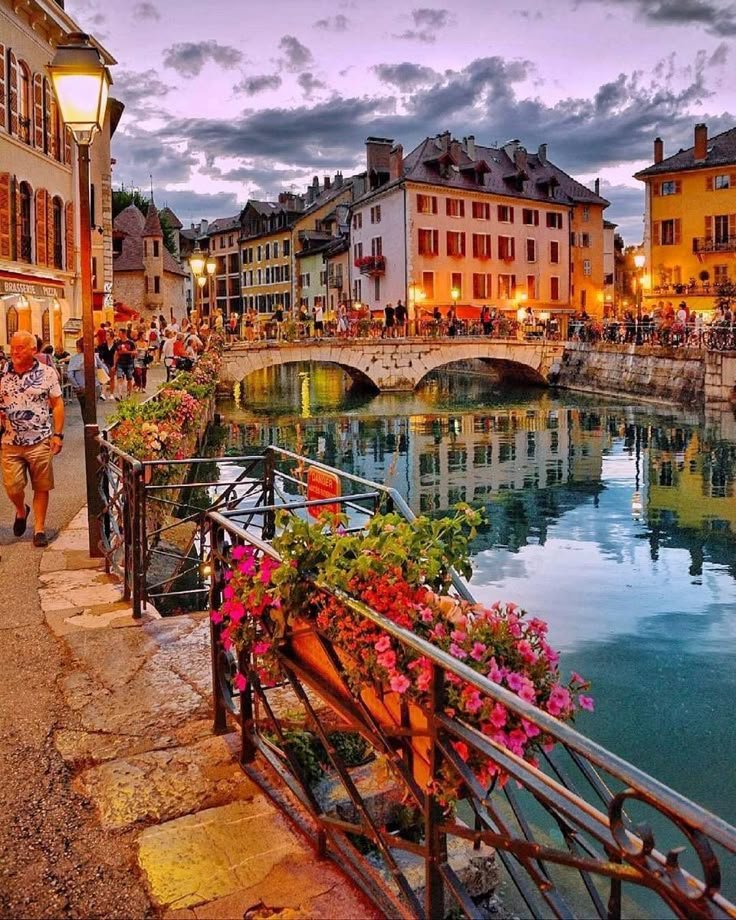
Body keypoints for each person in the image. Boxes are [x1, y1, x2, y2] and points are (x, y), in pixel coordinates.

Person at [0, 330, 64, 547]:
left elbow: (57, 404)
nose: (14, 351)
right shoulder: (2, 372)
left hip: (40, 439)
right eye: (13, 347)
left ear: (33, 350)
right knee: (12, 487)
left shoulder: (47, 373)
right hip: (10, 441)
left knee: (41, 485)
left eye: (20, 347)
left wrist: (58, 434)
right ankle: (21, 510)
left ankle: (39, 529)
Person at [67, 336, 107, 411]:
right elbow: (105, 370)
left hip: (81, 388)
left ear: (78, 347)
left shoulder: (74, 359)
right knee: (92, 410)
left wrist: (77, 386)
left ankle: (86, 423)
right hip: (95, 386)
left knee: (84, 409)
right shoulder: (94, 356)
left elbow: (70, 376)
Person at [111, 327, 136, 400]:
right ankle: (120, 394)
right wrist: (114, 364)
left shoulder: (131, 343)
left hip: (129, 363)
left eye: (120, 333)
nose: (118, 334)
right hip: (120, 363)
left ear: (124, 334)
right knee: (119, 378)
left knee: (129, 379)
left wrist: (127, 352)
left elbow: (135, 352)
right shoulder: (117, 343)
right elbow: (116, 354)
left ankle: (129, 394)